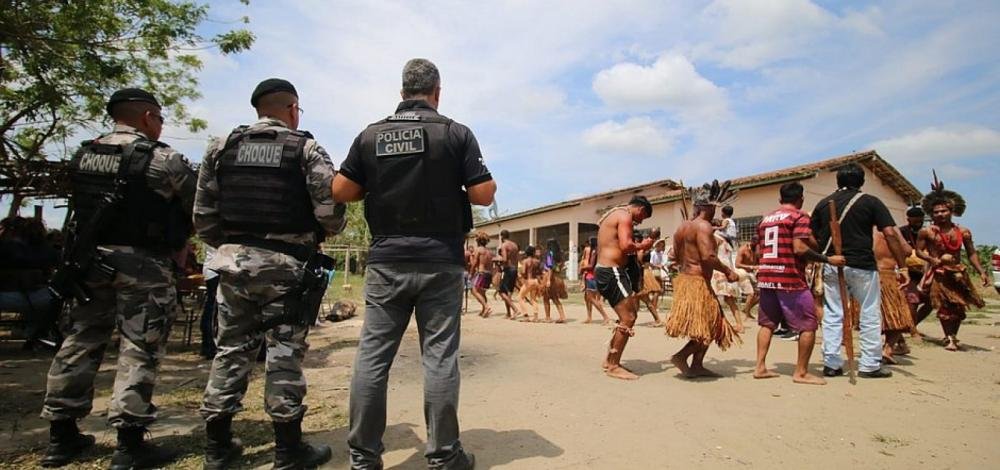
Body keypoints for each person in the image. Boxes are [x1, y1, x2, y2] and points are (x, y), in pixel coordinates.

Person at [333, 58, 494, 470]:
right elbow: (482, 195)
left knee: (372, 358)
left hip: (388, 261)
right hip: (440, 261)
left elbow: (342, 189)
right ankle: (444, 457)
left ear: (402, 92)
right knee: (439, 358)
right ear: (437, 92)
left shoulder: (371, 136)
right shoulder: (455, 133)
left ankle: (363, 459)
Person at [39, 88, 197, 469]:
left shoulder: (83, 155)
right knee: (140, 345)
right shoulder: (163, 159)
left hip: (89, 263)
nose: (161, 126)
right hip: (143, 264)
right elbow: (198, 204)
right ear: (147, 117)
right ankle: (129, 442)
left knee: (80, 339)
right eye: (159, 119)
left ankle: (61, 437)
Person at [195, 78, 347, 469]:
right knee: (283, 354)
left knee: (230, 350)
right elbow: (330, 215)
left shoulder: (222, 147)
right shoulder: (305, 149)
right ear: (293, 109)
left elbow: (203, 218)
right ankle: (288, 450)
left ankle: (217, 448)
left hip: (233, 267)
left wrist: (234, 245)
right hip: (286, 270)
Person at [810, 163, 909, 379]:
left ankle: (831, 363)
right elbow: (891, 234)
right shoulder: (871, 202)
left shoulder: (822, 204)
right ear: (861, 182)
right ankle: (870, 364)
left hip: (832, 264)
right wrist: (903, 266)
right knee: (869, 314)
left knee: (833, 314)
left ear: (838, 182)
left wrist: (824, 256)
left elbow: (812, 236)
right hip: (862, 265)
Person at [753, 182, 845, 385]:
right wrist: (828, 259)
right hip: (790, 279)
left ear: (780, 199)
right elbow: (800, 248)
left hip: (767, 277)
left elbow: (758, 252)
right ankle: (801, 372)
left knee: (767, 324)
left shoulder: (765, 220)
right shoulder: (800, 216)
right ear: (800, 199)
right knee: (809, 325)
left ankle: (760, 367)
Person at [666, 181, 741, 379]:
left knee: (709, 323)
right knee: (712, 324)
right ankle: (681, 356)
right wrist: (728, 271)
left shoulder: (682, 227)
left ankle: (697, 365)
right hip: (697, 282)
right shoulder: (704, 227)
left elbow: (674, 255)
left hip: (685, 279)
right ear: (710, 207)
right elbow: (708, 256)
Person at [914, 175, 987, 351]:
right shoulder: (927, 232)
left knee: (958, 306)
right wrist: (932, 259)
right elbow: (918, 251)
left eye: (943, 211)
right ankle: (949, 338)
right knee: (943, 306)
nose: (940, 214)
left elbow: (971, 253)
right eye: (936, 212)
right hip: (938, 275)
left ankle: (952, 335)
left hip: (958, 273)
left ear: (951, 211)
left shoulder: (963, 232)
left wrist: (981, 271)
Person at [594, 196, 658, 380]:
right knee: (629, 317)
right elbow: (626, 246)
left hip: (607, 271)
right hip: (611, 271)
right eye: (643, 216)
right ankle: (613, 365)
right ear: (639, 208)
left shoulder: (615, 214)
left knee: (627, 316)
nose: (640, 221)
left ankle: (610, 360)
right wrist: (643, 245)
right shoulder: (625, 216)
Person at [0, 216, 61, 350]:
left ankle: (32, 333)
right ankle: (34, 334)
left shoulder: (4, 248)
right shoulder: (48, 250)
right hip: (44, 299)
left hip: (6, 298)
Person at [873, 229, 914, 364]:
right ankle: (888, 349)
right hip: (888, 274)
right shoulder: (891, 229)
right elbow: (907, 250)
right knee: (899, 315)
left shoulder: (860, 227)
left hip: (868, 275)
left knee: (874, 316)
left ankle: (879, 350)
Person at [899, 206, 932, 339]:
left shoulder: (927, 233)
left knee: (930, 302)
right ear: (908, 219)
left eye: (921, 221)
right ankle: (912, 330)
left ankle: (912, 325)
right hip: (908, 272)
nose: (919, 223)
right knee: (913, 300)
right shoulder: (901, 232)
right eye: (916, 221)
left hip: (925, 273)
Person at [710, 231, 746, 334]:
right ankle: (740, 325)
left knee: (714, 297)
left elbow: (712, 254)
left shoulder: (715, 237)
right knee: (730, 299)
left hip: (719, 269)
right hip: (729, 269)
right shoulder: (727, 240)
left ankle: (715, 324)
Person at [580, 236, 611, 325]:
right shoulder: (599, 251)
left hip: (591, 276)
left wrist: (582, 268)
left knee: (591, 298)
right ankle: (589, 317)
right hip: (594, 275)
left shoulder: (594, 252)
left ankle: (605, 317)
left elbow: (591, 265)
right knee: (587, 298)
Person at [541, 238, 568, 323]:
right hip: (558, 278)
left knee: (546, 298)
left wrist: (548, 280)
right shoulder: (560, 255)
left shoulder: (549, 254)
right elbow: (561, 267)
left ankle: (548, 317)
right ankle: (562, 316)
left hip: (550, 277)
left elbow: (549, 267)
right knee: (555, 298)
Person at [497, 229, 522, 319]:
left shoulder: (504, 245)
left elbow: (504, 259)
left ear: (502, 236)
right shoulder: (515, 245)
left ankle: (515, 310)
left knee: (501, 292)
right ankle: (508, 313)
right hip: (514, 269)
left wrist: (496, 260)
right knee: (508, 293)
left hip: (508, 269)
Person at [200, 245, 219, 359]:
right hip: (217, 270)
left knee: (211, 308)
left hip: (212, 270)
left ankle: (207, 345)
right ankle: (209, 346)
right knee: (213, 310)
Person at [735, 235, 760, 320]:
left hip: (751, 273)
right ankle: (746, 315)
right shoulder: (743, 249)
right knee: (751, 293)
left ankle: (746, 310)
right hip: (742, 272)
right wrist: (751, 267)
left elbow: (758, 263)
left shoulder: (757, 250)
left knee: (761, 294)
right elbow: (737, 264)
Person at [470, 231, 494, 318]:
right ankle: (484, 310)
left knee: (474, 290)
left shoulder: (478, 250)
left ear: (478, 241)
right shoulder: (489, 252)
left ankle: (486, 307)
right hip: (489, 273)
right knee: (482, 292)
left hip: (481, 273)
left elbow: (475, 263)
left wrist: (471, 273)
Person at [518, 245, 543, 321]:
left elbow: (523, 272)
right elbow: (540, 272)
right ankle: (536, 317)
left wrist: (520, 275)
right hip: (536, 281)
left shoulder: (525, 261)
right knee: (533, 299)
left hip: (528, 281)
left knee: (520, 297)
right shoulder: (537, 261)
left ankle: (526, 316)